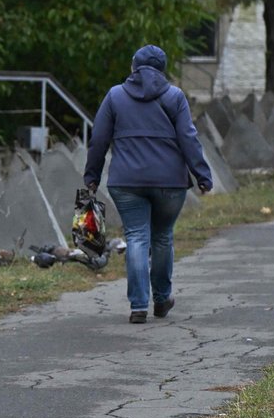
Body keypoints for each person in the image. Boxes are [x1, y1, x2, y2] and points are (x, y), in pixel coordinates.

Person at [84, 44, 213, 324]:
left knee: (137, 237)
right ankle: (162, 298)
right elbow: (189, 138)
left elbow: (98, 140)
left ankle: (138, 306)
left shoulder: (115, 96)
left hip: (126, 181)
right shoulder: (175, 96)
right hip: (170, 183)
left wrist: (91, 176)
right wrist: (202, 175)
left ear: (134, 67)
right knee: (163, 236)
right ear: (162, 69)